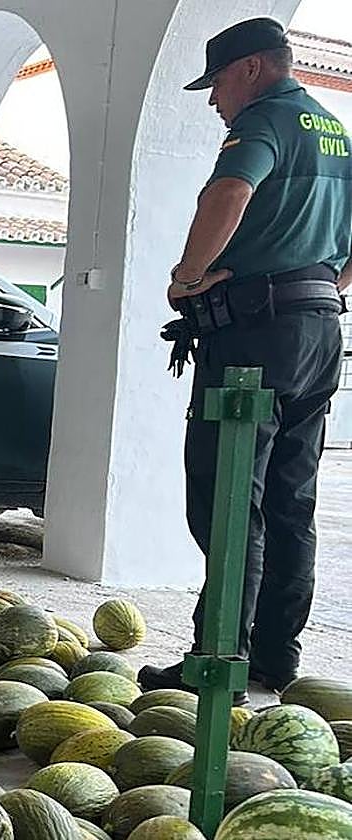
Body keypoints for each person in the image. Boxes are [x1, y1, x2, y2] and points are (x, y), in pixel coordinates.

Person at [140, 18, 352, 702]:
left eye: (217, 82)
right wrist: (324, 286)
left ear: (252, 68)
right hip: (317, 331)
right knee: (291, 498)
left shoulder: (266, 120)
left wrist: (186, 276)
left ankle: (218, 661)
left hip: (253, 338)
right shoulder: (334, 131)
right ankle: (273, 658)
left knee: (229, 496)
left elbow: (228, 192)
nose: (213, 100)